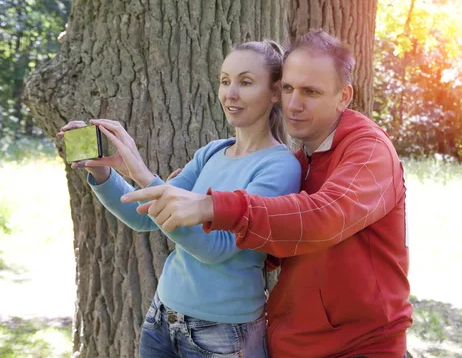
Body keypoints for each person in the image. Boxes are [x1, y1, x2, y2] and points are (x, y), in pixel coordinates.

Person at [123, 30, 413, 358]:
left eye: (311, 92)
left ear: (343, 96)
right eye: (287, 88)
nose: (293, 103)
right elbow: (279, 246)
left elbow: (325, 216)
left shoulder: (369, 149)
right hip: (294, 344)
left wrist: (211, 206)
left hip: (361, 347)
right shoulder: (302, 161)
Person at [58, 40, 301, 358]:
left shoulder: (280, 166)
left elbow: (216, 249)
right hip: (162, 316)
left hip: (224, 335)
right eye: (225, 81)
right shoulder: (212, 152)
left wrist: (143, 173)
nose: (230, 94)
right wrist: (105, 173)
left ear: (274, 92)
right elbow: (144, 217)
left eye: (245, 82)